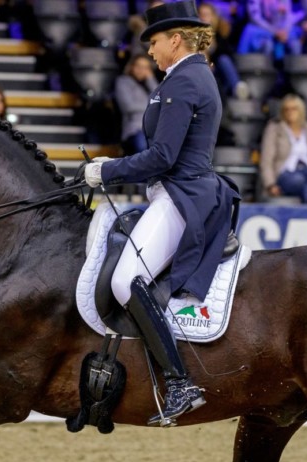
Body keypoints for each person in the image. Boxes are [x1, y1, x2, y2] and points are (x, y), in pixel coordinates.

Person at [82, 1, 241, 427]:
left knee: (123, 280)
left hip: (182, 196)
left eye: (153, 42)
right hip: (177, 191)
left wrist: (105, 171)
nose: (149, 51)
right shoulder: (188, 76)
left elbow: (163, 156)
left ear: (175, 39)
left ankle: (180, 382)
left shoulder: (184, 81)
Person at [261, 94, 307, 202]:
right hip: (285, 173)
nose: (290, 112)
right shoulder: (274, 129)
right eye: (286, 109)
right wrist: (270, 184)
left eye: (294, 109)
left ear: (301, 111)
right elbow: (266, 160)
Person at [196, 2, 242, 99]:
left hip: (219, 71)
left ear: (213, 17)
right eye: (201, 15)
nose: (204, 18)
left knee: (224, 59)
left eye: (207, 15)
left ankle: (238, 89)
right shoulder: (193, 35)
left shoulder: (221, 32)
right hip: (202, 72)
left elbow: (226, 52)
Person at [114, 54, 158, 155]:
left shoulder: (149, 83)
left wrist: (151, 79)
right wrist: (152, 106)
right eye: (139, 66)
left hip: (154, 128)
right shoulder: (123, 82)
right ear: (132, 66)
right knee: (141, 146)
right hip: (135, 128)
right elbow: (128, 106)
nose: (141, 70)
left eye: (145, 67)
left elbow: (161, 99)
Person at [238, 0, 302, 59]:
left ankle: (288, 68)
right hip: (260, 29)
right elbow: (255, 18)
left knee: (295, 44)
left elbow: (288, 15)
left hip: (282, 30)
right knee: (268, 45)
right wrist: (275, 32)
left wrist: (285, 31)